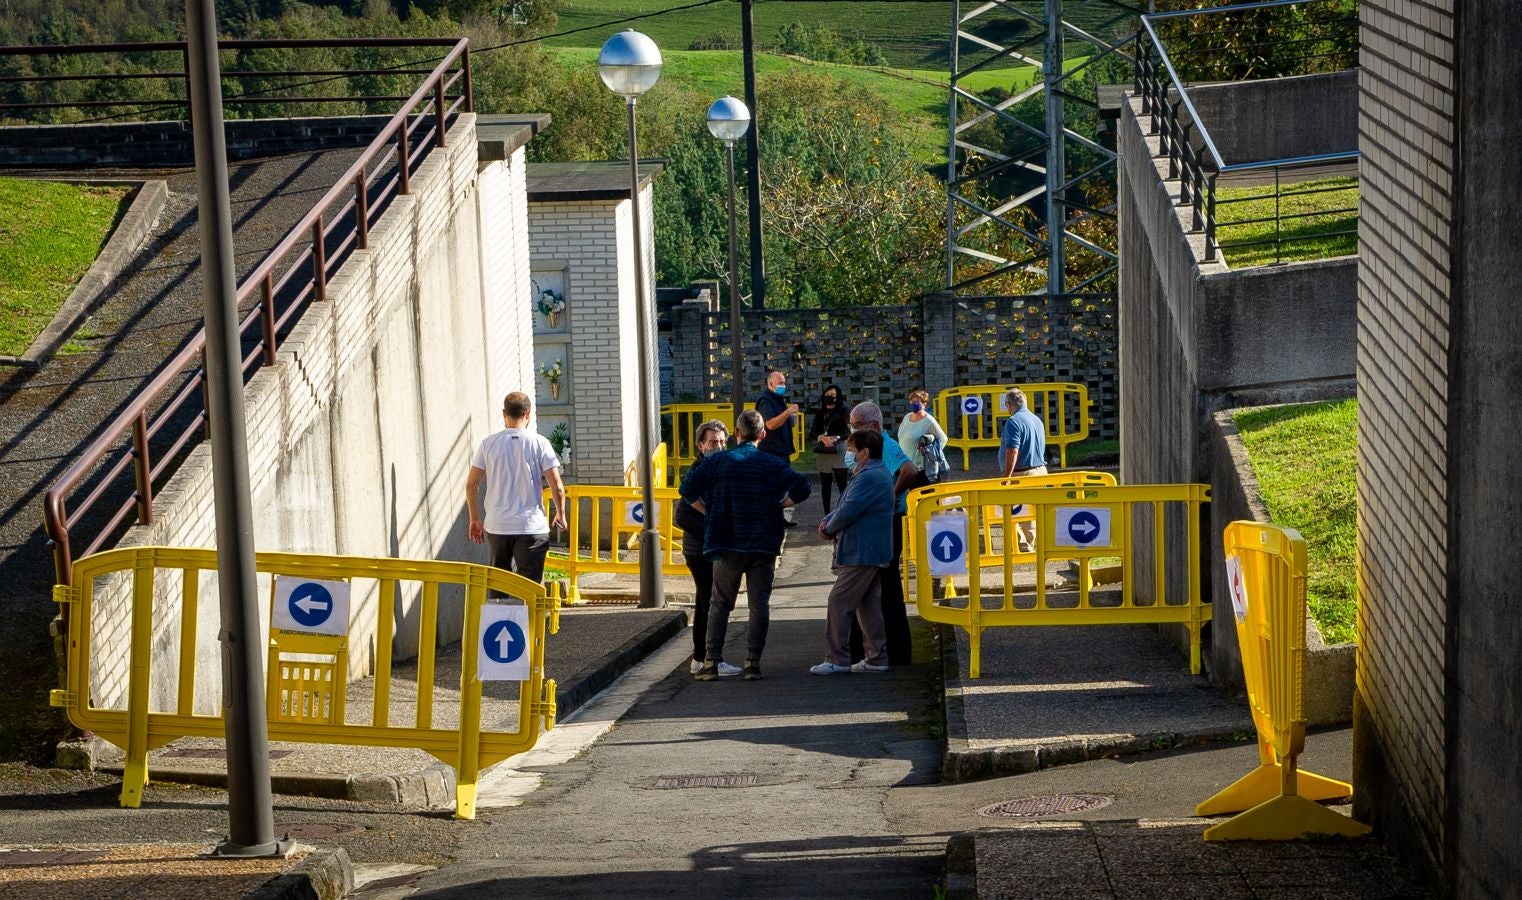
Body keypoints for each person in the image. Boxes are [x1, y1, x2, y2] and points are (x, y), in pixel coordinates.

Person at [680, 409, 811, 681]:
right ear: (763, 434)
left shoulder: (718, 463)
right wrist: (781, 505)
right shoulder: (771, 463)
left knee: (719, 603)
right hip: (763, 542)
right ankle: (753, 662)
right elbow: (802, 487)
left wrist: (709, 511)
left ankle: (711, 662)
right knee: (758, 605)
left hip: (726, 542)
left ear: (737, 434)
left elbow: (687, 489)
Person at [811, 429, 893, 675]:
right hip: (870, 549)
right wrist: (829, 520)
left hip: (862, 550)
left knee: (839, 601)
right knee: (868, 605)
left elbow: (848, 510)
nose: (848, 455)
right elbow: (847, 505)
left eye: (851, 450)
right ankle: (876, 658)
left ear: (864, 452)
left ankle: (837, 658)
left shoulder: (869, 476)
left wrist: (829, 526)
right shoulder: (874, 473)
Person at [843, 401, 918, 666]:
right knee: (881, 588)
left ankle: (888, 651)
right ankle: (884, 650)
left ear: (873, 426)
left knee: (881, 589)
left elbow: (909, 471)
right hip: (882, 522)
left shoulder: (885, 446)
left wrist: (888, 497)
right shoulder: (875, 446)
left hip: (887, 522)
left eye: (856, 425)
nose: (852, 431)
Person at [466, 391, 568, 588]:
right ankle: (530, 619)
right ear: (528, 414)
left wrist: (474, 519)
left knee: (498, 587)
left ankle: (500, 619)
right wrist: (561, 514)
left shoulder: (488, 444)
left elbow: (471, 485)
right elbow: (557, 486)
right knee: (531, 588)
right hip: (531, 526)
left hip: (498, 525)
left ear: (504, 413)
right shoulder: (540, 443)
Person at [675, 421, 742, 678]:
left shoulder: (721, 469)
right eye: (713, 442)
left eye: (723, 442)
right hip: (699, 549)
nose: (719, 446)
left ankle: (702, 657)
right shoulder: (700, 471)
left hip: (712, 546)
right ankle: (705, 658)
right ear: (701, 445)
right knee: (709, 602)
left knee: (708, 602)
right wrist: (711, 531)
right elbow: (681, 516)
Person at [1000, 387, 1049, 553]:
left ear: (1008, 404)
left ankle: (1022, 543)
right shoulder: (1036, 420)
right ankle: (1029, 543)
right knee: (1031, 511)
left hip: (1023, 472)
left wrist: (1006, 476)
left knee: (1008, 509)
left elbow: (1013, 450)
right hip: (1040, 470)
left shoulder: (1013, 422)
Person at [755, 370, 801, 526]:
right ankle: (769, 518)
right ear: (770, 384)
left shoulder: (778, 398)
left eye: (784, 383)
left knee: (781, 487)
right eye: (780, 383)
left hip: (781, 450)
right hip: (771, 451)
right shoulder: (765, 401)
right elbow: (770, 424)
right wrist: (788, 411)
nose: (783, 386)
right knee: (772, 487)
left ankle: (777, 517)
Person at [808, 384, 850, 514]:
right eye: (827, 395)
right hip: (824, 450)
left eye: (832, 396)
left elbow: (848, 431)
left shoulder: (844, 411)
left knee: (842, 483)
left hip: (840, 448)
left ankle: (843, 512)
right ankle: (827, 514)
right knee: (825, 484)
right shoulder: (821, 413)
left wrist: (835, 438)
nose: (829, 398)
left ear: (838, 397)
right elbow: (812, 433)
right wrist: (821, 438)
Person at [896, 389, 949, 483]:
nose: (914, 404)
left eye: (917, 402)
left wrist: (931, 453)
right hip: (906, 464)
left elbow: (943, 438)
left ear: (924, 404)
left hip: (921, 468)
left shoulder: (928, 421)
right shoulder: (907, 417)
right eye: (912, 401)